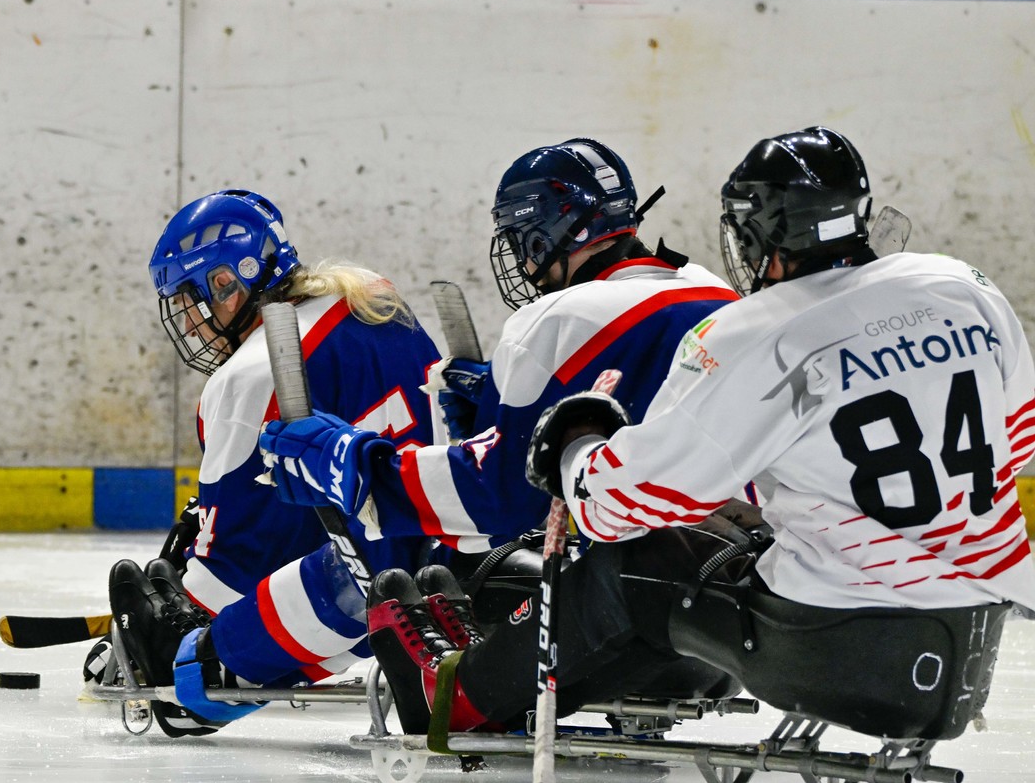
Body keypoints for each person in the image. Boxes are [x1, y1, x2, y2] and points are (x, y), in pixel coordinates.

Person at [327, 127, 1035, 738]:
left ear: (757, 233)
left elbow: (618, 504)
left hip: (835, 649)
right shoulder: (964, 287)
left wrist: (574, 444)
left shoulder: (762, 331)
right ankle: (632, 675)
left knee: (633, 554)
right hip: (969, 641)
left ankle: (458, 696)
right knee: (732, 532)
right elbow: (1018, 442)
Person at [256, 139, 743, 728]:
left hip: (620, 625)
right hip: (728, 627)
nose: (520, 259)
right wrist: (505, 411)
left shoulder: (554, 318)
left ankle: (470, 692)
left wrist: (355, 464)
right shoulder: (720, 293)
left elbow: (499, 500)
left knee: (456, 571)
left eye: (520, 240)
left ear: (545, 234)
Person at [107, 188, 441, 736]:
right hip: (449, 557)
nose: (191, 323)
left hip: (366, 591)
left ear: (226, 281)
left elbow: (231, 570)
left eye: (194, 299)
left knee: (184, 668)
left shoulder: (246, 375)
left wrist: (151, 638)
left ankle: (196, 689)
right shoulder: (373, 298)